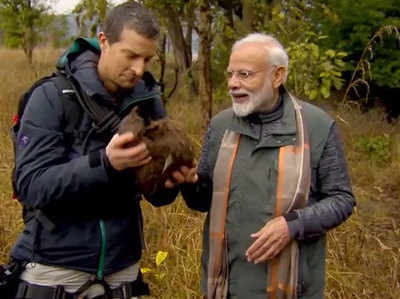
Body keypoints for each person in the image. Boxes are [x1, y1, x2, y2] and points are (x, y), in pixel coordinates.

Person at [10, 2, 181, 298]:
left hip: (123, 271)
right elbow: (30, 185)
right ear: (103, 41)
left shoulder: (148, 100)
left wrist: (169, 179)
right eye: (130, 56)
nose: (139, 69)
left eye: (147, 59)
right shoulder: (51, 97)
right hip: (55, 271)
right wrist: (104, 162)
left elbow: (158, 196)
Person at [168, 33, 356, 299]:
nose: (233, 84)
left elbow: (342, 199)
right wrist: (190, 183)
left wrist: (293, 225)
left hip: (293, 290)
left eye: (244, 75)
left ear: (277, 76)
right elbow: (203, 202)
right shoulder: (221, 126)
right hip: (225, 288)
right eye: (230, 74)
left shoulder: (316, 127)